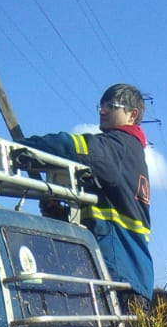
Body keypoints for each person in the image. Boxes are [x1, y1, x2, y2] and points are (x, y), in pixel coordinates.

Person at [17, 84, 153, 304]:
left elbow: (69, 147)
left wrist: (19, 148)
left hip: (117, 278)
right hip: (128, 279)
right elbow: (99, 224)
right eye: (101, 106)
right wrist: (57, 214)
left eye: (111, 106)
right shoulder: (129, 155)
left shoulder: (118, 148)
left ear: (132, 115)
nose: (102, 111)